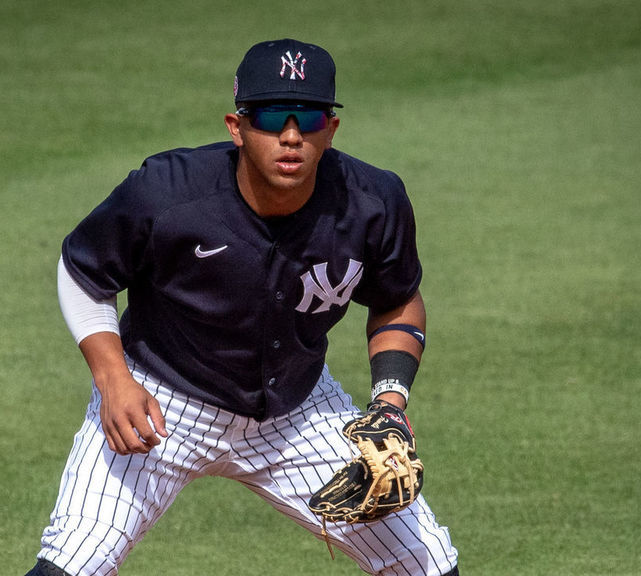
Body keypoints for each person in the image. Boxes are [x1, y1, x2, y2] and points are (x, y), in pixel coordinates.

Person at [25, 38, 459, 576]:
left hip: (299, 413)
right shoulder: (166, 193)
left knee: (428, 563)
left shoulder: (373, 201)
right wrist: (113, 379)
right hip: (159, 405)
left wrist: (389, 403)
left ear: (332, 128)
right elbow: (82, 271)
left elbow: (397, 301)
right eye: (273, 116)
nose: (292, 135)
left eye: (309, 117)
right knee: (71, 565)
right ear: (237, 126)